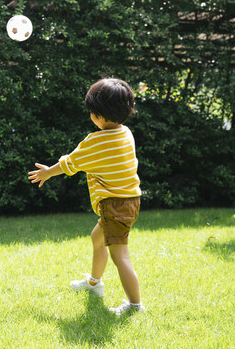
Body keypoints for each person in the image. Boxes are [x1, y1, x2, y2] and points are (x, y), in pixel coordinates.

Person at [28, 78, 144, 315]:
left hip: (115, 204)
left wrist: (48, 173)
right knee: (97, 238)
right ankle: (94, 283)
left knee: (120, 255)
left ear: (98, 115)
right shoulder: (125, 133)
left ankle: (135, 305)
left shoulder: (95, 141)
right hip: (130, 200)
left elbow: (71, 163)